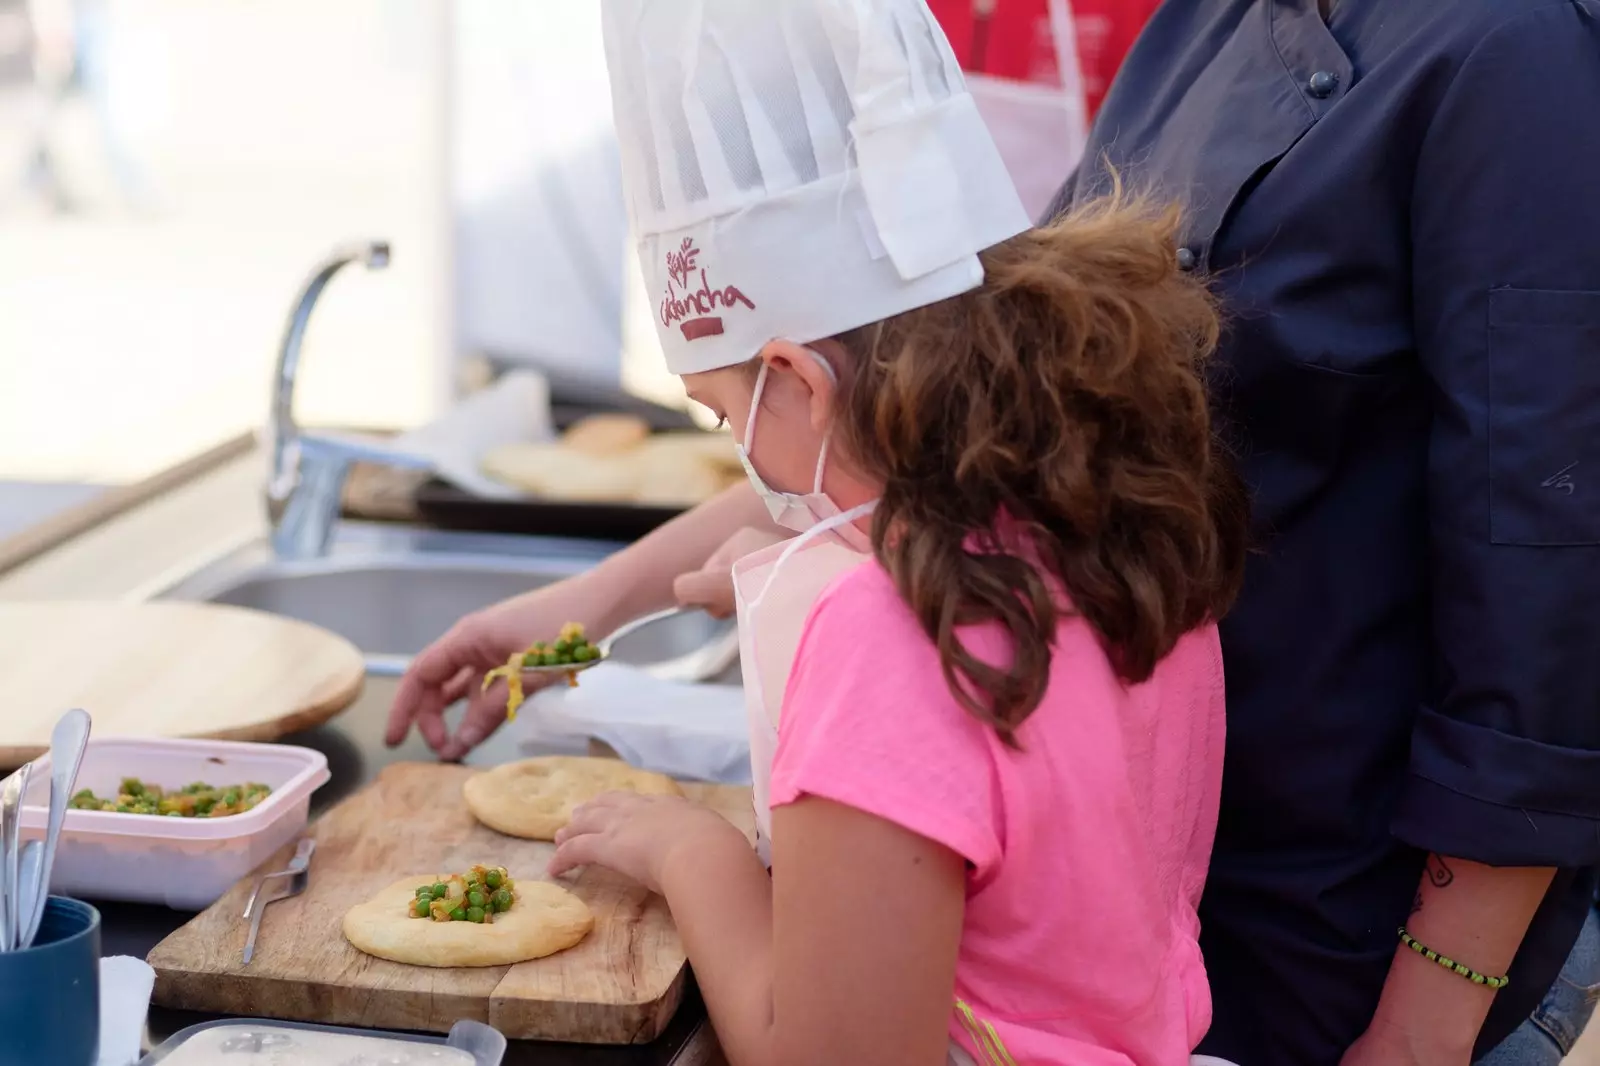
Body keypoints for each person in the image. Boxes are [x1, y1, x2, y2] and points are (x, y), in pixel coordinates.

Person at [402, 1, 1247, 1061]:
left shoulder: (885, 636)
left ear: (799, 378)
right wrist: (596, 602)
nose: (740, 457)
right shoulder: (1116, 518)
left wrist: (690, 854)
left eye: (722, 415)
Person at [1046, 1, 1600, 1064]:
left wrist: (1424, 1022)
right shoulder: (1206, 21)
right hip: (1174, 893)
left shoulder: (1525, 50)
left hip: (1359, 938)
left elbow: (1551, 588)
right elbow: (1041, 364)